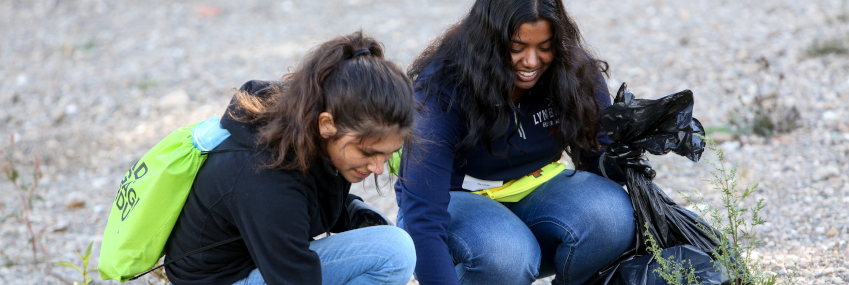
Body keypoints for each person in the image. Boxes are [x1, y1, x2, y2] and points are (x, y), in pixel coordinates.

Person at [395, 0, 649, 284]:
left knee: (613, 216)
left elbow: (595, 163)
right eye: (516, 48)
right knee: (507, 255)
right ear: (486, 42)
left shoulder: (572, 72)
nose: (531, 61)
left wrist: (622, 156)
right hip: (454, 203)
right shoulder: (442, 87)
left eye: (544, 47)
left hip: (532, 193)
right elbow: (423, 216)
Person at [164, 31, 417, 285]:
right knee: (393, 251)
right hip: (224, 279)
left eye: (388, 155)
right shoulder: (266, 175)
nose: (377, 168)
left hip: (252, 261)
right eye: (367, 152)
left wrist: (348, 211)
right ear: (327, 124)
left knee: (379, 235)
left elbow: (306, 193)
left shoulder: (309, 115)